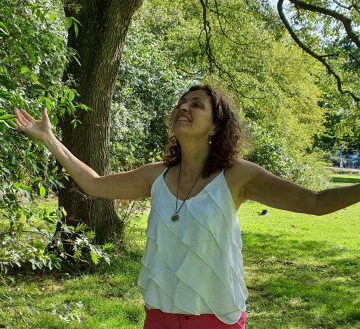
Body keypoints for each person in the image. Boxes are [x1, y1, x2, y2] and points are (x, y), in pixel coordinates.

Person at [13, 84, 360, 329]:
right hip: (160, 316)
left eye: (197, 104)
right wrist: (49, 139)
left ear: (216, 125)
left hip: (216, 318)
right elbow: (94, 184)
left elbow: (315, 202)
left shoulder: (237, 176)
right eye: (182, 101)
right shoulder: (156, 176)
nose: (184, 107)